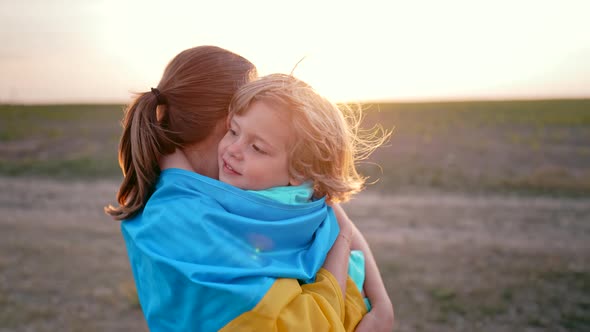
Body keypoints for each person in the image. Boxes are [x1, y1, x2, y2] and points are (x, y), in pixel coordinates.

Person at [105, 45, 394, 331]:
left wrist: (382, 305)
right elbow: (307, 324)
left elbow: (332, 211)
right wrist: (341, 242)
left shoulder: (203, 189)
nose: (234, 148)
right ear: (223, 121)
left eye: (257, 144)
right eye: (234, 130)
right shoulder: (184, 218)